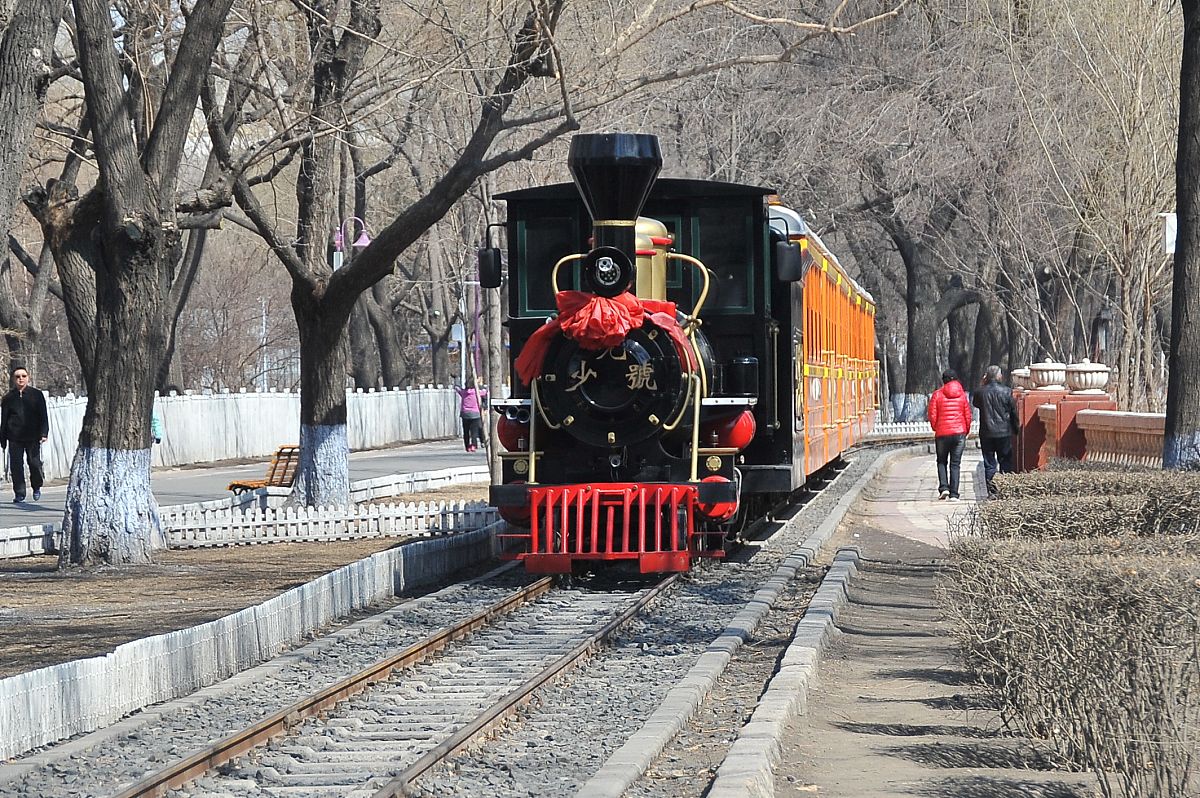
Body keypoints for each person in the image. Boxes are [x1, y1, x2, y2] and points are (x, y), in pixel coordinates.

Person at [0, 365, 49, 503]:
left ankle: (36, 486)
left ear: (28, 378)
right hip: (14, 437)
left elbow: (43, 415)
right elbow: (4, 419)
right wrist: (2, 438)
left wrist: (44, 432)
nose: (20, 379)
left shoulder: (36, 395)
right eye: (17, 376)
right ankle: (20, 493)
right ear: (13, 379)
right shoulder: (8, 398)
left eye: (23, 376)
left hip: (33, 436)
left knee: (34, 463)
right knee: (16, 466)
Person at [973, 364, 1020, 497]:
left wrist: (982, 384)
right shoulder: (1006, 391)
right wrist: (1016, 429)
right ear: (999, 376)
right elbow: (1013, 413)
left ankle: (992, 491)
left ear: (986, 377)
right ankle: (1005, 490)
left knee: (989, 463)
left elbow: (975, 403)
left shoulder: (980, 392)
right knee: (1005, 461)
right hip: (1004, 432)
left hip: (986, 432)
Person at [927, 368, 971, 501]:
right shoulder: (962, 395)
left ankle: (944, 488)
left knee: (941, 461)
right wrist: (966, 430)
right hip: (959, 433)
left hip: (942, 434)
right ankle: (954, 494)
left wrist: (936, 428)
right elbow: (967, 415)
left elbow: (932, 414)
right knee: (955, 463)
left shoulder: (937, 394)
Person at [454, 380, 488, 452]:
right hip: (475, 414)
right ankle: (473, 445)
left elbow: (457, 388)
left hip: (465, 414)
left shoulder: (463, 393)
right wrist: (483, 386)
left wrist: (456, 380)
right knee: (474, 432)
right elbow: (485, 391)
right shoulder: (477, 393)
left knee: (466, 431)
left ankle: (467, 446)